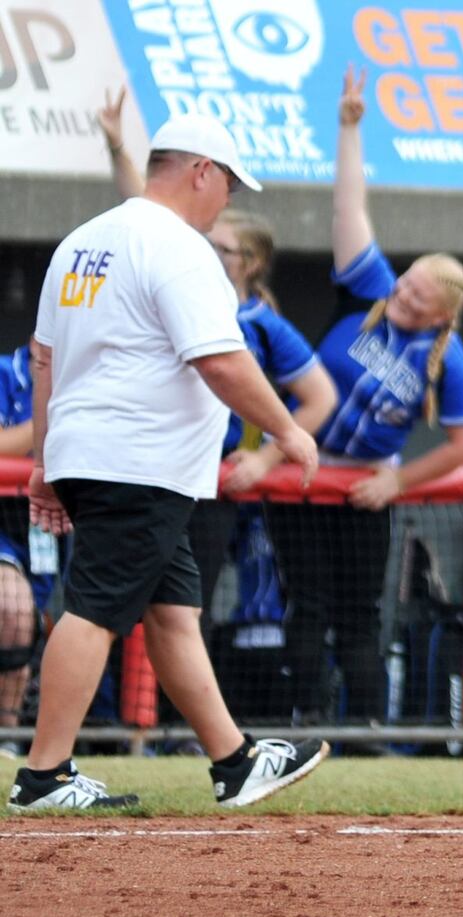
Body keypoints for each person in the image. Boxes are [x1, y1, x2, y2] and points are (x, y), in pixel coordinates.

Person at [8, 112, 328, 810]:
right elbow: (219, 359)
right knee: (92, 610)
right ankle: (43, 775)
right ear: (200, 171)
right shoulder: (181, 249)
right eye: (228, 186)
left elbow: (44, 357)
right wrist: (286, 431)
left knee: (174, 613)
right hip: (138, 460)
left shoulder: (82, 242)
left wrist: (44, 457)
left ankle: (235, 761)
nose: (227, 203)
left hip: (106, 454)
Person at [267, 66, 463, 730]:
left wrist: (399, 485)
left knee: (360, 611)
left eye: (420, 295)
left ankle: (364, 730)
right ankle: (308, 717)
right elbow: (349, 207)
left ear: (440, 314)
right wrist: (349, 126)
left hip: (363, 488)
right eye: (408, 281)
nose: (405, 293)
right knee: (304, 603)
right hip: (302, 472)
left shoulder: (450, 361)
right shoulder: (368, 291)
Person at [100, 87, 339, 664]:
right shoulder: (176, 266)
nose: (207, 244)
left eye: (223, 247)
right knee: (135, 609)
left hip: (217, 478)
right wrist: (117, 150)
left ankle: (185, 731)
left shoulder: (261, 321)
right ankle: (158, 732)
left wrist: (266, 455)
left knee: (189, 607)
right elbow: (148, 213)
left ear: (249, 264)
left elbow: (319, 397)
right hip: (153, 465)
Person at [0, 344, 51, 758]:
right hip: (4, 516)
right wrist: (51, 423)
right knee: (12, 608)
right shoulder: (4, 373)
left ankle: (8, 738)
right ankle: (8, 732)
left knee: (42, 622)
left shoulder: (88, 379)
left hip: (51, 522)